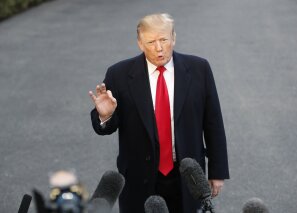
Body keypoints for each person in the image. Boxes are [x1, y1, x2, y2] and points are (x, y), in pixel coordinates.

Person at [89, 13, 229, 213]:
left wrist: (217, 172)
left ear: (173, 38)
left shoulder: (199, 69)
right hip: (138, 178)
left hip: (186, 176)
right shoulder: (118, 74)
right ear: (139, 43)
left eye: (163, 39)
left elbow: (213, 122)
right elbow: (103, 127)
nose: (159, 48)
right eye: (151, 41)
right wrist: (105, 115)